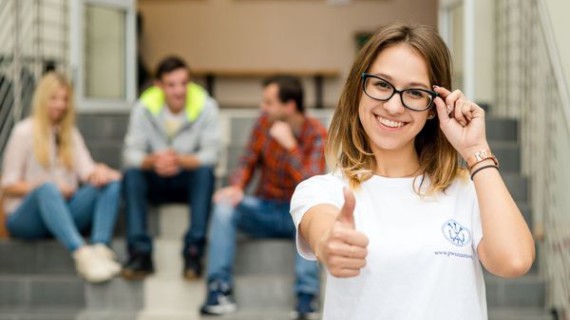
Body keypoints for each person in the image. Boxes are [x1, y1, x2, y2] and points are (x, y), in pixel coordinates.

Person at [290, 23, 535, 320]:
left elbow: (514, 261)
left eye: (415, 92)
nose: (394, 106)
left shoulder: (466, 190)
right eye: (381, 84)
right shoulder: (321, 190)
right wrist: (330, 243)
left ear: (434, 107)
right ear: (358, 89)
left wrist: (475, 152)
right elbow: (323, 228)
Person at [200, 75, 326, 319]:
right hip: (265, 208)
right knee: (225, 205)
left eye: (269, 102)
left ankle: (306, 295)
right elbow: (248, 160)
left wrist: (290, 146)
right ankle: (219, 289)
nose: (262, 107)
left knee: (315, 213)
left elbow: (313, 184)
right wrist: (236, 187)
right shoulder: (263, 124)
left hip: (298, 216)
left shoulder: (317, 134)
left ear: (289, 106)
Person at [1, 72, 122, 283]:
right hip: (25, 217)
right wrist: (47, 186)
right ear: (43, 99)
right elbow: (8, 185)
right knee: (47, 189)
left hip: (63, 210)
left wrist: (101, 173)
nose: (60, 105)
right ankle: (82, 254)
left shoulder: (70, 134)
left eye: (65, 99)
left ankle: (100, 248)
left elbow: (86, 170)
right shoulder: (23, 132)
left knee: (110, 184)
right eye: (54, 98)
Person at [121, 55, 220, 280]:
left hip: (188, 178)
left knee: (205, 173)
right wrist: (152, 161)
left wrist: (181, 160)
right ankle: (140, 254)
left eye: (184, 83)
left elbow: (212, 154)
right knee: (132, 175)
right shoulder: (143, 107)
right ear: (159, 85)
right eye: (172, 85)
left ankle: (194, 252)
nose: (179, 91)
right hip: (154, 178)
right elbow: (130, 153)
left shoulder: (206, 106)